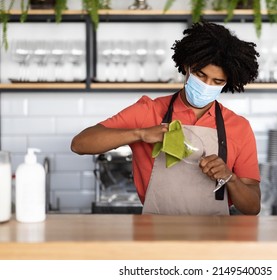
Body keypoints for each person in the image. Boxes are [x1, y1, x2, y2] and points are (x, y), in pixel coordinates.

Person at [71, 21, 261, 216]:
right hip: (154, 237)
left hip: (214, 239)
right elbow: (79, 144)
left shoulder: (239, 127)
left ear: (227, 83)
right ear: (187, 67)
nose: (206, 85)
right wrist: (141, 134)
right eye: (200, 75)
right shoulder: (148, 111)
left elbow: (253, 207)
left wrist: (231, 179)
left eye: (217, 81)